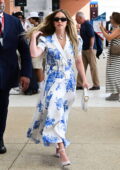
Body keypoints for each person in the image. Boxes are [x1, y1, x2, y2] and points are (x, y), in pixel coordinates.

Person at [26, 9, 89, 167]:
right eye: (56, 19)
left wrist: (85, 80)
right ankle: (61, 150)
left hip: (68, 82)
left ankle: (57, 142)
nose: (59, 22)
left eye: (63, 19)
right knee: (55, 111)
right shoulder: (46, 39)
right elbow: (34, 54)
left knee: (63, 114)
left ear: (68, 22)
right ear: (52, 22)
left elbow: (79, 61)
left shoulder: (76, 39)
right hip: (53, 82)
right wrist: (34, 37)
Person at [0, 0, 32, 154]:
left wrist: (26, 73)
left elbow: (24, 50)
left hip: (5, 74)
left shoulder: (14, 22)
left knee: (1, 109)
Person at [76, 12, 100, 90]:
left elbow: (92, 37)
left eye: (76, 19)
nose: (76, 21)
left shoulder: (88, 25)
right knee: (82, 67)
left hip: (90, 49)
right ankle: (79, 84)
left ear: (80, 18)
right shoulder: (82, 25)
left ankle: (96, 85)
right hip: (84, 49)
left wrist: (91, 47)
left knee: (93, 67)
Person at [100, 12, 120, 101]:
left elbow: (108, 38)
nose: (110, 19)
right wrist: (105, 30)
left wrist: (102, 30)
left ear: (115, 19)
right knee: (114, 74)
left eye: (111, 18)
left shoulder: (118, 29)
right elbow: (112, 36)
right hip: (114, 56)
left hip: (116, 57)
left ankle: (115, 94)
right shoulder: (116, 28)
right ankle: (114, 93)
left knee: (113, 74)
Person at [27, 12, 44, 92]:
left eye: (30, 19)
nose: (29, 20)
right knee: (36, 67)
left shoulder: (39, 27)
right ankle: (39, 84)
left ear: (33, 18)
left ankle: (41, 85)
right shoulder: (36, 26)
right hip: (35, 48)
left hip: (37, 49)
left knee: (37, 67)